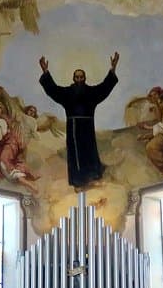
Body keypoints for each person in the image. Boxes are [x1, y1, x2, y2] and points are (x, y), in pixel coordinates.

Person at [38, 52, 120, 189]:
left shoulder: (91, 93)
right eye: (77, 77)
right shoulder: (67, 93)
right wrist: (45, 71)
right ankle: (78, 181)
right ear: (73, 78)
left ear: (85, 78)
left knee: (89, 150)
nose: (79, 79)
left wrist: (113, 68)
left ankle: (93, 176)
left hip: (87, 126)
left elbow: (105, 87)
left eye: (81, 77)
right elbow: (53, 90)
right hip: (74, 127)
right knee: (76, 154)